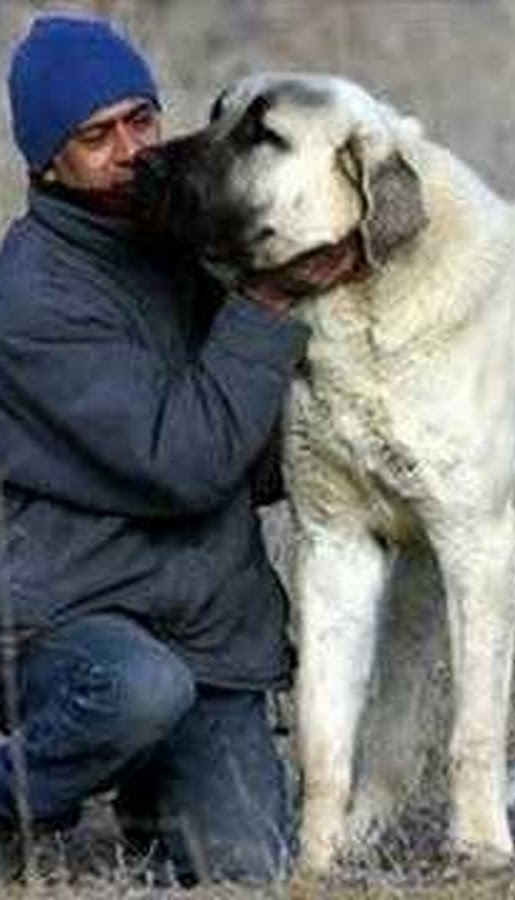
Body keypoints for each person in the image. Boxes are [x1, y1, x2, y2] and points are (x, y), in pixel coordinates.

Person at [0, 14, 304, 885]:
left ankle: (144, 787)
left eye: (142, 119)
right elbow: (188, 462)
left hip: (209, 632)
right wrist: (270, 303)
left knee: (248, 868)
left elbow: (260, 464)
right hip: (76, 625)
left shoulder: (192, 244)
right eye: (96, 136)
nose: (130, 149)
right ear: (45, 162)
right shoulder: (32, 297)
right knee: (138, 691)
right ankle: (12, 790)